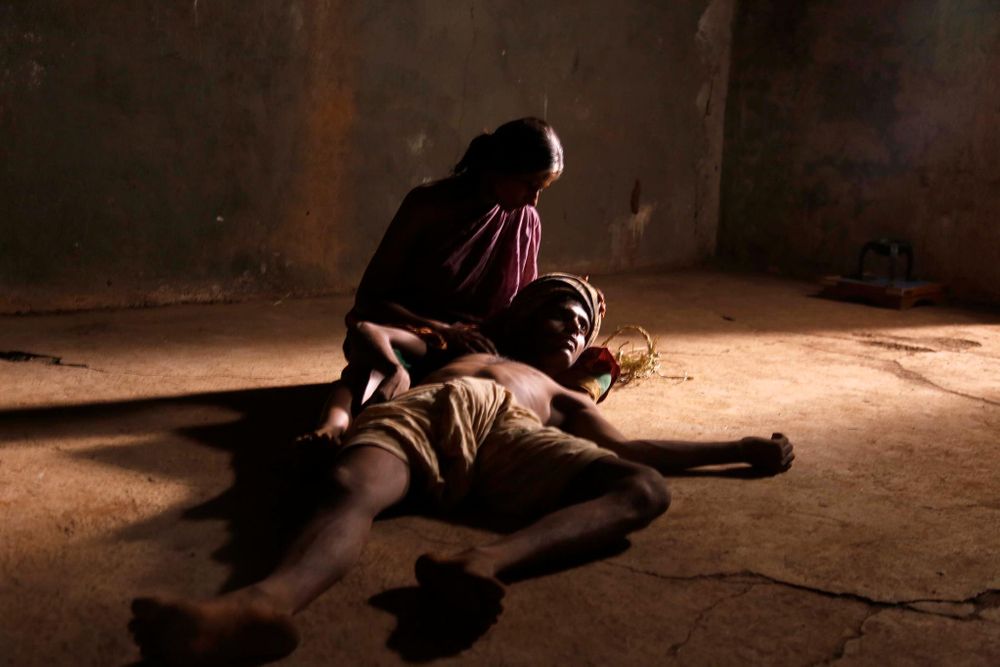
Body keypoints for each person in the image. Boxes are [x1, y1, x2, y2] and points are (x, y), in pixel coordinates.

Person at [129, 276, 793, 665]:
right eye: (560, 315)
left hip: (514, 432)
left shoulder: (561, 394)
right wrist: (394, 364)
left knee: (642, 489)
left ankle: (481, 561)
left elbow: (636, 449)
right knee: (349, 491)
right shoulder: (467, 347)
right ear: (526, 314)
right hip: (429, 407)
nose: (572, 330)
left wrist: (737, 447)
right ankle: (264, 604)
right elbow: (368, 332)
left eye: (582, 327)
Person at [309, 117, 565, 442]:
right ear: (500, 167)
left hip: (480, 345)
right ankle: (332, 429)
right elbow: (371, 299)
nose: (534, 200)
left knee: (587, 363)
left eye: (542, 189)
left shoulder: (526, 220)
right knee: (373, 368)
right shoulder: (428, 206)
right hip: (415, 335)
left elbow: (524, 304)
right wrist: (444, 331)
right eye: (530, 185)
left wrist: (570, 299)